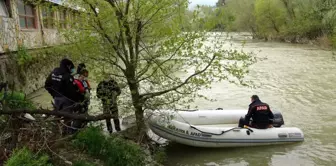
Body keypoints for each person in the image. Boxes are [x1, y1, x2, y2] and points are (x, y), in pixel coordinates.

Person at [44, 58, 83, 134]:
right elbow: (72, 92)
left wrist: (54, 94)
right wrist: (78, 101)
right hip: (66, 101)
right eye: (71, 67)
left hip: (57, 99)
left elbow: (47, 85)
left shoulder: (54, 72)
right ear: (68, 66)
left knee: (58, 117)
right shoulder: (67, 76)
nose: (72, 69)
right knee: (67, 119)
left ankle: (56, 132)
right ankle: (66, 135)